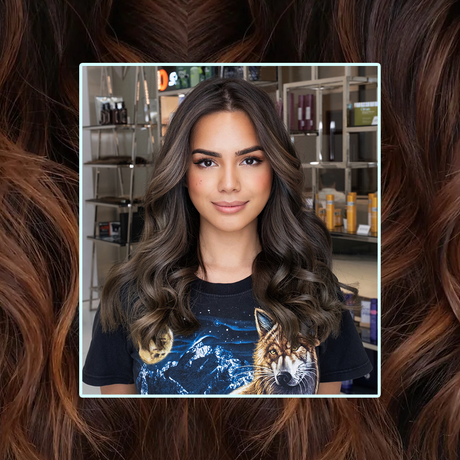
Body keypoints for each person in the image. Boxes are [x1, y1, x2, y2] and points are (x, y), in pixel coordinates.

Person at [83, 77, 372, 396]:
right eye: (207, 162)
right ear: (182, 172)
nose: (229, 183)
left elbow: (324, 434)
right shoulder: (129, 294)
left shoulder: (315, 291)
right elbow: (119, 436)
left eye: (250, 160)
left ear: (274, 169)